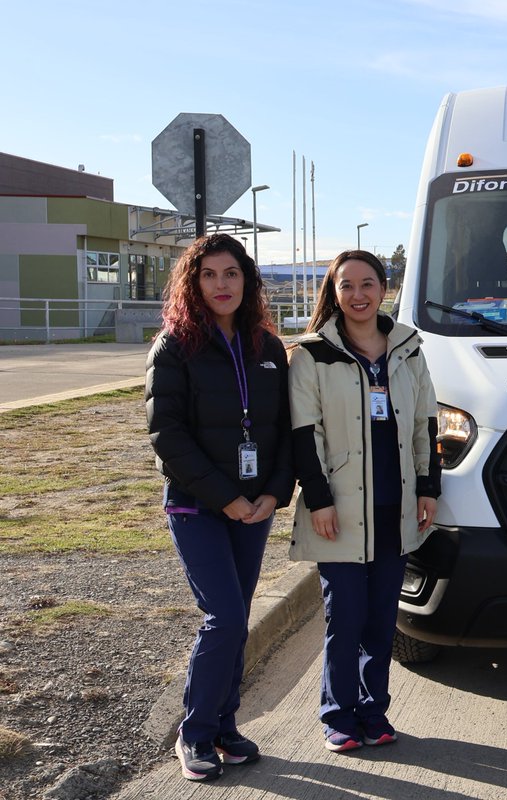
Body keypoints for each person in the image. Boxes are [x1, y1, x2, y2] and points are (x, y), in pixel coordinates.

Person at [145, 233, 293, 782]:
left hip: (256, 507)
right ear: (194, 282)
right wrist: (225, 498)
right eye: (209, 275)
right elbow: (168, 434)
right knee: (225, 617)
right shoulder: (175, 345)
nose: (221, 284)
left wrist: (274, 492)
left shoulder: (268, 347)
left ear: (247, 280)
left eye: (230, 273)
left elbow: (282, 430)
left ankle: (226, 729)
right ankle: (196, 731)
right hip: (198, 507)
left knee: (236, 621)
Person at [289, 249, 440, 752]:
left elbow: (426, 424)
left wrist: (427, 487)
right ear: (333, 292)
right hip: (340, 511)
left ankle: (374, 712)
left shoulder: (408, 349)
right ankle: (337, 714)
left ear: (384, 287)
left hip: (394, 509)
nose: (358, 295)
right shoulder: (313, 354)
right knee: (345, 618)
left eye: (368, 283)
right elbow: (302, 433)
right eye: (347, 285)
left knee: (380, 620)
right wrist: (319, 501)